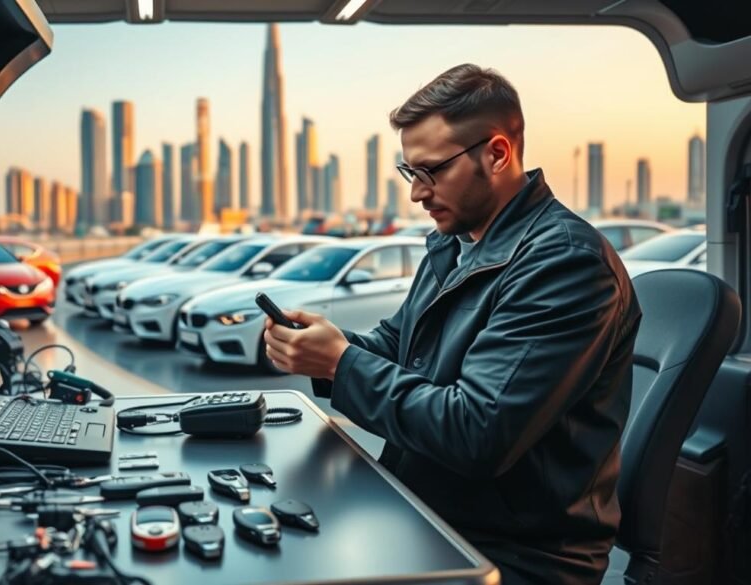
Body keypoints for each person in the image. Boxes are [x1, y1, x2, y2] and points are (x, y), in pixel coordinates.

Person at [263, 64, 641, 585]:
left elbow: (477, 432)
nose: (417, 193)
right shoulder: (454, 245)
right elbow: (400, 345)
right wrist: (322, 349)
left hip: (515, 556)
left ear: (498, 153)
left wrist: (342, 363)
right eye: (410, 172)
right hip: (429, 512)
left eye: (431, 171)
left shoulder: (565, 263)